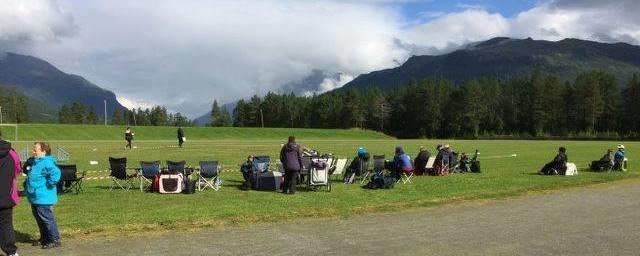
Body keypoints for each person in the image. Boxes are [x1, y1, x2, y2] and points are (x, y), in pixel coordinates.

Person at [25, 142, 62, 249]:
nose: (33, 151)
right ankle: (45, 238)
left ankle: (55, 239)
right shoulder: (36, 162)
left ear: (43, 151)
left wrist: (48, 184)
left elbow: (56, 174)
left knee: (47, 219)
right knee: (40, 219)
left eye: (35, 149)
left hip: (43, 198)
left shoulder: (47, 162)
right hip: (35, 197)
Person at [0, 130, 22, 256]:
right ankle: (11, 252)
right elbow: (18, 169)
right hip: (6, 195)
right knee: (6, 224)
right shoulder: (12, 152)